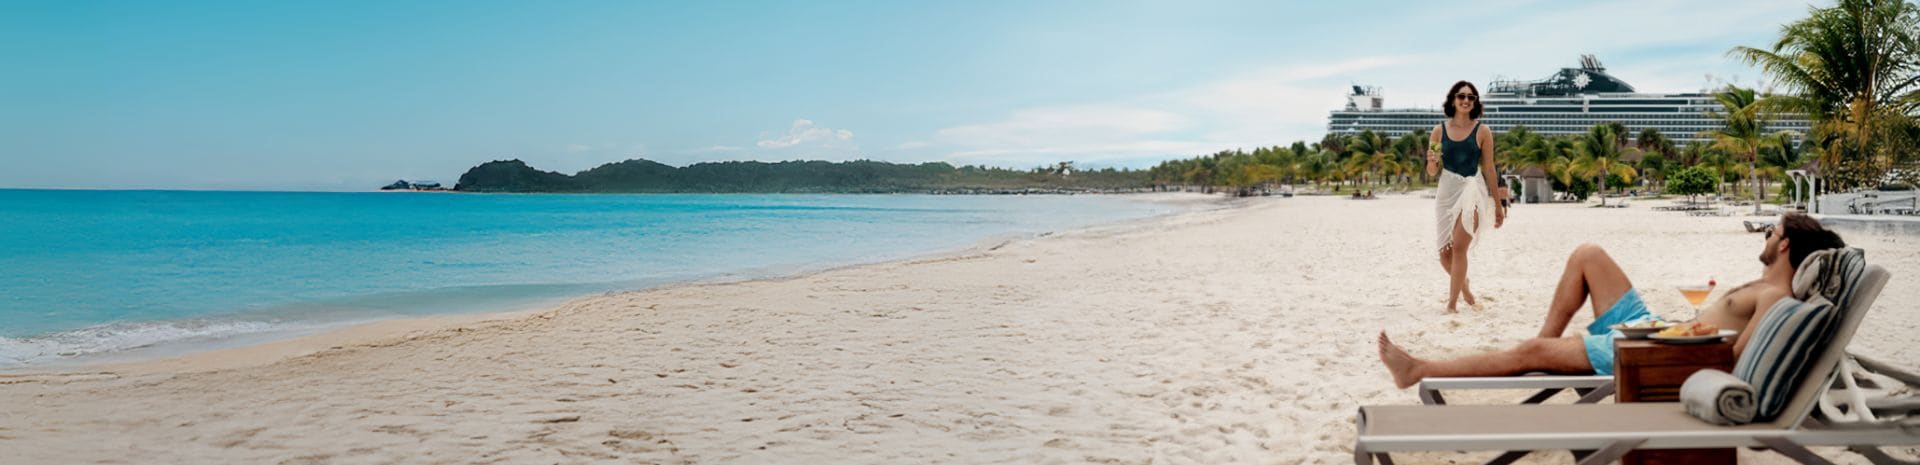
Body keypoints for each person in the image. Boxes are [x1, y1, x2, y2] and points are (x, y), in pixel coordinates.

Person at [1377, 213, 1845, 389]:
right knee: (1589, 254)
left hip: (1660, 352)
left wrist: (1693, 335)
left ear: (1785, 245)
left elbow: (1734, 362)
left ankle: (1418, 369)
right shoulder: (1764, 283)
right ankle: (1541, 352)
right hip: (1658, 329)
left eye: (1773, 231)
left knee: (1529, 354)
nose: (1766, 234)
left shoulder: (1775, 295)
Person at [1427, 81, 1507, 313]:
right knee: (1445, 254)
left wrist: (1498, 205)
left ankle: (1452, 304)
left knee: (1460, 248)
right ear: (1453, 99)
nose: (1466, 101)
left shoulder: (1483, 131)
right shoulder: (1438, 131)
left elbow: (1490, 169)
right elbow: (1432, 171)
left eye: (1471, 97)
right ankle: (1465, 288)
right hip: (1446, 190)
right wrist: (1431, 162)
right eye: (1462, 96)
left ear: (1475, 102)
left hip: (1473, 189)